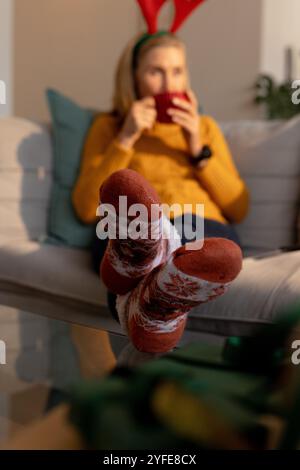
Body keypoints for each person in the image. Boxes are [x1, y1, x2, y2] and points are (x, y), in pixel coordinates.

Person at [71, 32, 249, 339]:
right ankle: (155, 299)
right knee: (126, 227)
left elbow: (239, 206)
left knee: (189, 234)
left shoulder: (204, 128)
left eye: (177, 71)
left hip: (194, 224)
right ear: (134, 78)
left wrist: (198, 150)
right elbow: (86, 207)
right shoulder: (109, 127)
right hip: (136, 226)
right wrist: (126, 139)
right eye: (157, 72)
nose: (170, 85)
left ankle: (144, 283)